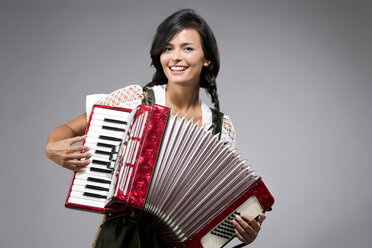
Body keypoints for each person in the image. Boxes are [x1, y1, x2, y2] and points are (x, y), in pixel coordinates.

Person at [45, 9, 266, 248]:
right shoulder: (135, 99)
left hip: (177, 243)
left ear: (207, 58)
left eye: (187, 48)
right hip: (123, 237)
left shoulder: (221, 127)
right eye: (168, 48)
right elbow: (66, 129)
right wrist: (52, 147)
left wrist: (243, 231)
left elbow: (218, 209)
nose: (175, 57)